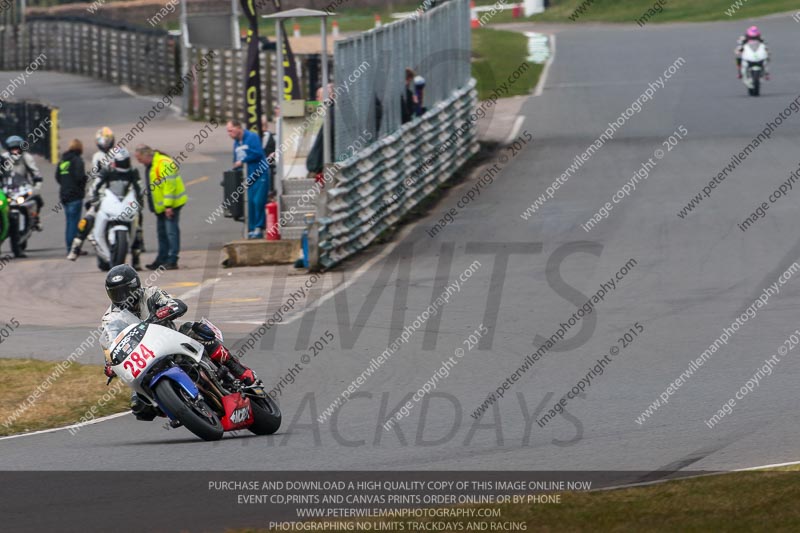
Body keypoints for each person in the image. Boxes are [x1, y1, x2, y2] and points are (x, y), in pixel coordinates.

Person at [100, 264, 259, 421]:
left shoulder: (151, 293)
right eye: (115, 293)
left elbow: (177, 304)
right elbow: (109, 345)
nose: (121, 297)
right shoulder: (110, 318)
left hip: (172, 341)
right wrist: (109, 363)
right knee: (139, 407)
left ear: (134, 286)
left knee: (197, 330)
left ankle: (238, 369)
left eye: (123, 291)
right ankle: (178, 408)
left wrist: (166, 310)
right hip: (144, 359)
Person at [82, 147, 144, 269]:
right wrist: (94, 198)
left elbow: (139, 187)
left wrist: (140, 202)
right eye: (121, 161)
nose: (123, 164)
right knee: (90, 218)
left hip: (125, 202)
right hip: (107, 202)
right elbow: (95, 186)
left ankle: (136, 256)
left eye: (125, 161)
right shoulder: (106, 171)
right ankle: (81, 243)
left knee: (139, 222)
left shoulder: (132, 172)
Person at [134, 145, 186, 270]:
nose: (139, 162)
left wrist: (168, 206)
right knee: (162, 233)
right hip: (161, 207)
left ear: (146, 155)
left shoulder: (163, 163)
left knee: (171, 232)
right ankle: (161, 259)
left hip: (171, 205)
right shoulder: (152, 165)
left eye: (140, 159)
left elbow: (170, 186)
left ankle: (172, 259)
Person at [69, 127, 117, 258]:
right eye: (102, 140)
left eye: (107, 140)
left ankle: (137, 245)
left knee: (135, 212)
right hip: (101, 191)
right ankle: (76, 245)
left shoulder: (118, 153)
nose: (105, 143)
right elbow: (97, 175)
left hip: (117, 191)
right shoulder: (97, 156)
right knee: (89, 216)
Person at [226, 120, 270, 239]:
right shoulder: (236, 143)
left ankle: (259, 227)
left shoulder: (252, 137)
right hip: (248, 176)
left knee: (258, 201)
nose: (229, 133)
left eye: (231, 130)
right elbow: (236, 159)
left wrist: (244, 161)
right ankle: (251, 228)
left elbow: (258, 153)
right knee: (249, 202)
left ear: (238, 128)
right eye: (228, 131)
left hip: (260, 174)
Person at [2, 135, 44, 234]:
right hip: (6, 187)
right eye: (13, 149)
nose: (15, 151)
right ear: (9, 149)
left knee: (38, 200)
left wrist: (37, 185)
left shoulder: (27, 157)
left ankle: (35, 218)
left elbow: (35, 172)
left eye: (17, 148)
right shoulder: (3, 158)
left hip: (23, 187)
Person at [55, 139, 87, 254]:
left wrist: (65, 185)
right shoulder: (77, 160)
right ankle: (73, 249)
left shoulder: (63, 160)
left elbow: (58, 177)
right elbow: (80, 177)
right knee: (74, 223)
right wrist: (84, 183)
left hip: (64, 195)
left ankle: (70, 247)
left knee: (69, 222)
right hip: (75, 195)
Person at [261, 114, 277, 190]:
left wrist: (273, 154)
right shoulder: (255, 137)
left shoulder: (272, 137)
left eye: (264, 124)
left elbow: (276, 151)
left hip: (268, 167)